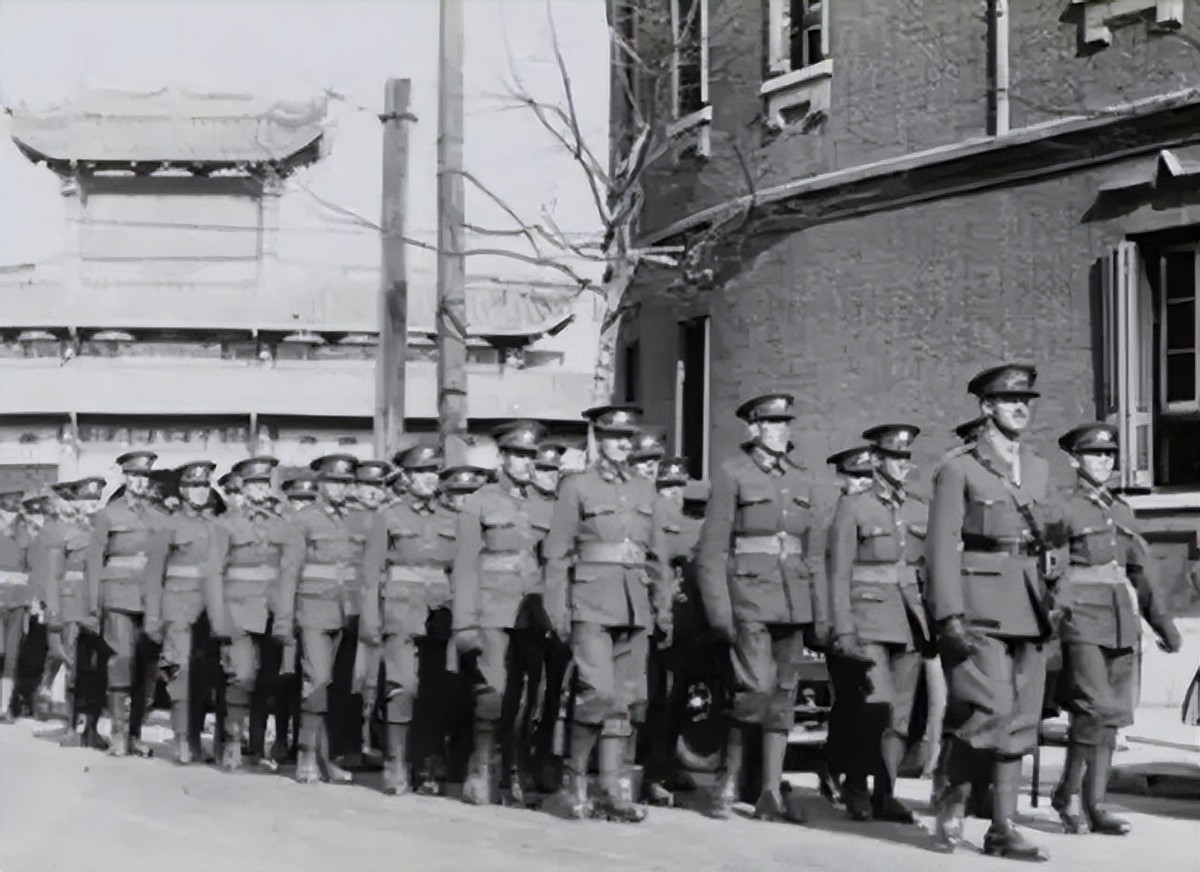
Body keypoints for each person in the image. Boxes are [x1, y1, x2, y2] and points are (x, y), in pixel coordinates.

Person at [926, 363, 1059, 860]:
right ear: (986, 408)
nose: (1021, 407)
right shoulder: (959, 467)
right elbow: (940, 545)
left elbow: (1051, 536)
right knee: (992, 709)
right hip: (979, 602)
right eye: (1008, 400)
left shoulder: (1040, 469)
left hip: (1030, 603)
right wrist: (947, 615)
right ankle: (953, 792)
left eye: (1026, 400)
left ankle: (1002, 827)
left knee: (1022, 719)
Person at [696, 393, 828, 823]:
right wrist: (719, 611)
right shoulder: (733, 475)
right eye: (772, 424)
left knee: (783, 696)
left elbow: (813, 554)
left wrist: (820, 614)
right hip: (748, 596)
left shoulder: (804, 480)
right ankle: (729, 778)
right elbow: (712, 551)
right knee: (754, 689)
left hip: (793, 600)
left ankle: (770, 789)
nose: (781, 430)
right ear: (753, 429)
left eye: (785, 423)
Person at [1050, 422, 1182, 836]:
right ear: (1075, 460)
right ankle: (1069, 794)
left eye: (1109, 455)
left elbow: (1141, 573)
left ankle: (1097, 805)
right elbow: (1050, 572)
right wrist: (1056, 621)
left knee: (1112, 718)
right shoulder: (1063, 507)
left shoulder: (1122, 510)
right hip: (1080, 621)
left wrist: (1161, 623)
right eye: (1094, 454)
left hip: (1121, 621)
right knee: (1090, 711)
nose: (1104, 461)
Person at [542, 404, 671, 823]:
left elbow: (658, 558)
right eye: (614, 437)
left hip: (635, 604)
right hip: (591, 602)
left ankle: (614, 789)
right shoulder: (577, 487)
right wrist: (556, 609)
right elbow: (557, 553)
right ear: (599, 438)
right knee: (596, 691)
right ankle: (573, 782)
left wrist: (662, 608)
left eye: (627, 438)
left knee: (625, 699)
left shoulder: (644, 490)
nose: (621, 445)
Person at [826, 425, 930, 823]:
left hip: (909, 621)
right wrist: (842, 627)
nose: (902, 465)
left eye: (906, 458)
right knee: (872, 708)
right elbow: (838, 572)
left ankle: (886, 792)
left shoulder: (919, 508)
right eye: (894, 458)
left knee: (900, 716)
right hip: (867, 619)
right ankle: (855, 785)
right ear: (877, 461)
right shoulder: (855, 507)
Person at [453, 420, 554, 806]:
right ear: (503, 457)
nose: (526, 463)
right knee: (493, 689)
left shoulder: (548, 503)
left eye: (531, 455)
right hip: (492, 609)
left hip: (534, 613)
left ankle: (515, 767)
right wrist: (465, 623)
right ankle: (482, 767)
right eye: (519, 455)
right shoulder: (480, 502)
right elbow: (464, 566)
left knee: (529, 694)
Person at [359, 445, 461, 796]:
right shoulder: (388, 517)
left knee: (434, 690)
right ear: (406, 477)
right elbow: (372, 572)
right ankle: (396, 761)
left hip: (440, 612)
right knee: (402, 686)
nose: (429, 479)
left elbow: (459, 569)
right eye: (421, 472)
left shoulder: (451, 517)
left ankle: (426, 762)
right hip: (401, 611)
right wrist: (371, 621)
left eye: (434, 471)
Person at [205, 455, 303, 772]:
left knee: (267, 681)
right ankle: (233, 740)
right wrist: (218, 619)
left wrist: (285, 619)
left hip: (272, 611)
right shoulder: (226, 525)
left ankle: (258, 748)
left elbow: (288, 574)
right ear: (243, 488)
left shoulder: (283, 526)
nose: (259, 490)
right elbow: (213, 574)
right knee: (242, 675)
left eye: (264, 483)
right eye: (253, 484)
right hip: (236, 610)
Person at [276, 454, 365, 785]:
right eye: (334, 482)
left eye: (346, 483)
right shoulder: (304, 521)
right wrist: (284, 622)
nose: (341, 489)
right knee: (318, 681)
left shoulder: (359, 520)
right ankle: (305, 754)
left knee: (339, 688)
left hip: (348, 613)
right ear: (321, 484)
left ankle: (328, 758)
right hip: (313, 610)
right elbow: (289, 573)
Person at [85, 450, 170, 756]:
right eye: (135, 476)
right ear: (125, 477)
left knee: (146, 669)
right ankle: (119, 733)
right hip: (117, 595)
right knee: (121, 660)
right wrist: (92, 605)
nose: (140, 482)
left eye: (145, 476)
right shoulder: (109, 514)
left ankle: (135, 732)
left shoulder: (161, 517)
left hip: (150, 600)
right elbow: (94, 560)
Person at [142, 461, 220, 764]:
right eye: (195, 487)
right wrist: (152, 616)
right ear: (184, 491)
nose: (201, 492)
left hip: (208, 609)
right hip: (177, 608)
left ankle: (198, 738)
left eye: (205, 486)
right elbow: (153, 574)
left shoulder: (217, 526)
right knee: (180, 673)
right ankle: (181, 739)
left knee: (204, 675)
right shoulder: (168, 526)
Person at [640, 456, 707, 807]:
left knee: (679, 696)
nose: (674, 494)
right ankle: (651, 771)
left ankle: (666, 764)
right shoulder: (651, 521)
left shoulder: (688, 524)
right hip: (654, 617)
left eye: (680, 487)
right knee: (656, 698)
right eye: (667, 487)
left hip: (686, 620)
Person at [821, 446, 880, 810]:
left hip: (873, 618)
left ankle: (839, 765)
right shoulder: (833, 515)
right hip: (841, 620)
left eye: (867, 477)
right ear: (842, 479)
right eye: (855, 477)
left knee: (862, 704)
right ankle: (839, 769)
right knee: (850, 701)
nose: (862, 484)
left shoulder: (874, 512)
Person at [34, 478, 107, 747]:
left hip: (100, 605)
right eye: (86, 501)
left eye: (95, 501)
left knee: (98, 670)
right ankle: (71, 724)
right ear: (74, 503)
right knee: (74, 668)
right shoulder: (62, 531)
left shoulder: (104, 531)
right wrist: (53, 614)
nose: (91, 506)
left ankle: (92, 727)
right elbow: (53, 576)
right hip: (72, 605)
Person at [331, 459, 392, 769]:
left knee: (379, 681)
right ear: (355, 487)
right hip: (352, 605)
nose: (374, 493)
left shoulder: (388, 516)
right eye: (368, 486)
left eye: (379, 486)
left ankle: (372, 743)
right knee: (350, 681)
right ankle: (346, 746)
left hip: (386, 604)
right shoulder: (347, 518)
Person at [1, 491, 39, 722]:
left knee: (12, 655)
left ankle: (4, 706)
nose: (15, 502)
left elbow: (33, 565)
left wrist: (32, 598)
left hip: (18, 599)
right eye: (9, 498)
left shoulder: (26, 528)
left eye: (18, 498)